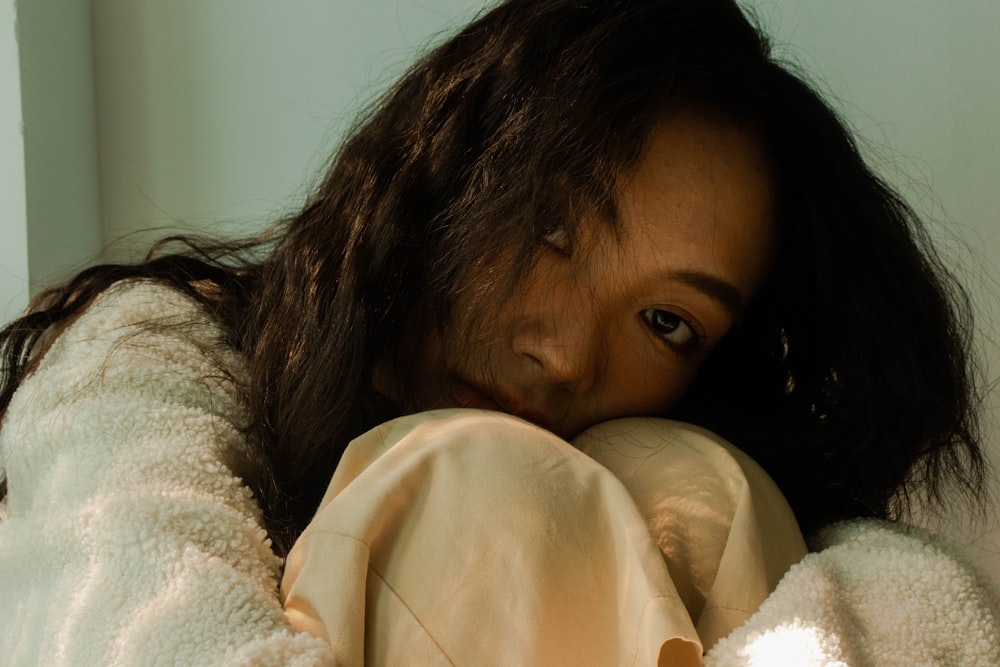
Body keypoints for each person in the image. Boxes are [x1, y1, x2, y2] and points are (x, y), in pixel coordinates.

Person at [0, 0, 988, 664]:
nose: (561, 351)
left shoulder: (650, 472)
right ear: (447, 174)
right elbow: (141, 620)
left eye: (665, 321)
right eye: (549, 228)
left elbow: (906, 606)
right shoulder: (155, 356)